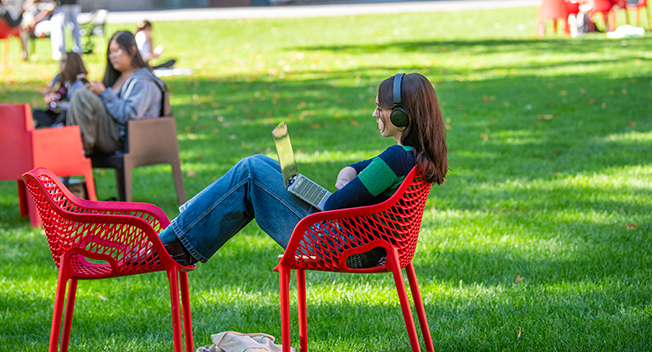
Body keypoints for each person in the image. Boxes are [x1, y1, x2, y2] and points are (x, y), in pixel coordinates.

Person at [152, 73, 449, 269]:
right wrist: (347, 178)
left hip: (343, 248)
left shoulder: (395, 158)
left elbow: (334, 204)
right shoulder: (412, 158)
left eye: (379, 109)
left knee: (251, 168)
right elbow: (354, 169)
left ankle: (173, 241)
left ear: (401, 115)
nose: (374, 114)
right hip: (364, 244)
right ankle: (181, 235)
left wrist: (343, 186)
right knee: (265, 167)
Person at [66, 30, 164, 156]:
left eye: (116, 50)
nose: (112, 56)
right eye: (110, 53)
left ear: (132, 51)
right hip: (112, 134)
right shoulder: (118, 78)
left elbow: (130, 115)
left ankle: (78, 151)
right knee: (81, 93)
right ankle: (76, 148)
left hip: (129, 139)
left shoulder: (143, 82)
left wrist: (104, 94)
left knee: (81, 95)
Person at [32, 53, 88, 128]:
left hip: (74, 114)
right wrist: (50, 95)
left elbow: (76, 106)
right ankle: (54, 124)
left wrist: (59, 104)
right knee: (37, 113)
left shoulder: (79, 83)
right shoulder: (63, 78)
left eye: (64, 61)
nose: (60, 63)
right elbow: (46, 91)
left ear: (72, 64)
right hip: (62, 112)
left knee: (64, 116)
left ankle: (54, 124)